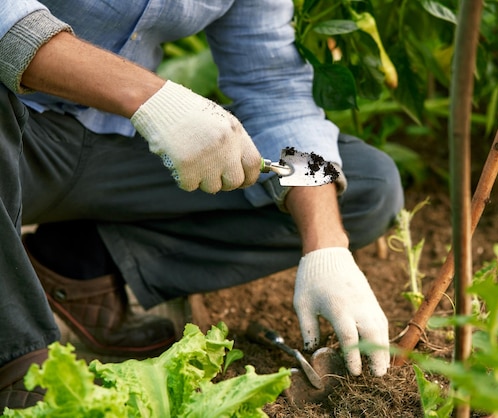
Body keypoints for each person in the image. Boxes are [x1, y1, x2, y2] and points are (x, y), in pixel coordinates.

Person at [0, 0, 404, 410]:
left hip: (117, 141)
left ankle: (79, 268)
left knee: (365, 184)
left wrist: (326, 246)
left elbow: (274, 88)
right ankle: (19, 365)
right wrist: (151, 98)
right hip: (18, 127)